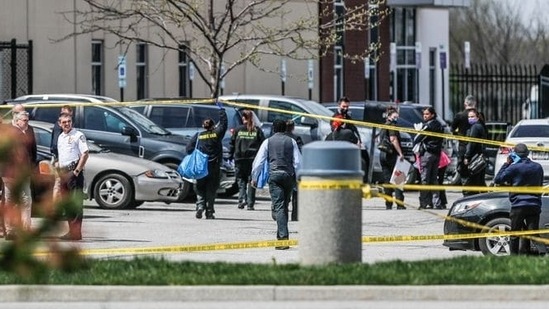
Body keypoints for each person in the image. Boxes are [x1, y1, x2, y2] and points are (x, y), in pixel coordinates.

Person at [251, 119, 301, 250]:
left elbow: (259, 161)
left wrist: (254, 177)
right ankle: (281, 234)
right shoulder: (292, 141)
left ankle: (283, 239)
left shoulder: (267, 142)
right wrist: (299, 178)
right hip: (289, 176)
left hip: (275, 175)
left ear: (273, 129)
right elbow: (298, 163)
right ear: (285, 129)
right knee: (284, 205)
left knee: (279, 207)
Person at [493, 143, 544, 255]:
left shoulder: (513, 168)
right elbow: (540, 185)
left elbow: (498, 179)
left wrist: (507, 163)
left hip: (518, 205)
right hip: (534, 205)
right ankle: (542, 253)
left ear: (514, 155)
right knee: (533, 233)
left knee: (515, 234)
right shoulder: (538, 167)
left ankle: (514, 258)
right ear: (528, 154)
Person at [187, 102, 228, 220]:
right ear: (213, 126)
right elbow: (224, 124)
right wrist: (222, 111)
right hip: (214, 166)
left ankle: (200, 206)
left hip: (201, 166)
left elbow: (189, 148)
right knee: (211, 189)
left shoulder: (198, 135)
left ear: (203, 126)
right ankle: (209, 212)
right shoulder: (216, 134)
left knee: (199, 187)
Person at [2, 111, 37, 240]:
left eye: (27, 120)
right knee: (26, 201)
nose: (27, 123)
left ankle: (11, 230)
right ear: (17, 121)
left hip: (8, 174)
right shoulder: (18, 134)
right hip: (17, 174)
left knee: (10, 201)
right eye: (24, 121)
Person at [56, 112, 89, 240]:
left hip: (73, 172)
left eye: (69, 121)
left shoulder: (78, 135)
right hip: (63, 173)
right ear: (59, 124)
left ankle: (76, 233)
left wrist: (76, 171)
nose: (67, 124)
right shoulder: (60, 137)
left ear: (72, 122)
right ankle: (71, 231)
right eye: (64, 122)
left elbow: (85, 154)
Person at [229, 109, 265, 211]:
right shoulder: (257, 130)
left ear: (243, 118)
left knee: (241, 180)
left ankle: (241, 200)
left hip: (239, 158)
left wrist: (230, 156)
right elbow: (263, 144)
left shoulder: (237, 130)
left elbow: (232, 144)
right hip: (253, 159)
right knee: (251, 181)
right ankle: (250, 204)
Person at [414, 107, 444, 209]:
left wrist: (418, 132)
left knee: (424, 179)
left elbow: (418, 138)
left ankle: (423, 203)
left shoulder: (428, 125)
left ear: (432, 114)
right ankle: (436, 203)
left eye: (427, 114)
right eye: (424, 114)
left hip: (427, 154)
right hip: (437, 154)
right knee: (434, 179)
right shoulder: (440, 125)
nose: (425, 116)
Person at [379, 107, 405, 210]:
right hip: (392, 155)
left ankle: (388, 204)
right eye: (395, 117)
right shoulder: (392, 126)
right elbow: (393, 139)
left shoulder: (383, 126)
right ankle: (399, 203)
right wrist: (400, 153)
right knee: (399, 179)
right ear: (390, 116)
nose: (396, 119)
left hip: (383, 155)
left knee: (387, 180)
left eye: (397, 117)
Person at [451, 95, 477, 183]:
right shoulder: (478, 115)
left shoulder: (460, 115)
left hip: (463, 145)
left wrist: (458, 136)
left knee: (463, 167)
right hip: (475, 146)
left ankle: (465, 185)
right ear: (475, 103)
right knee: (476, 167)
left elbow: (452, 129)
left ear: (465, 104)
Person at [462, 108, 487, 196]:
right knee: (480, 181)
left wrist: (467, 156)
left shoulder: (475, 127)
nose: (470, 118)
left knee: (473, 180)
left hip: (475, 157)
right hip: (480, 156)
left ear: (477, 117)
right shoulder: (481, 125)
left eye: (472, 116)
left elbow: (472, 143)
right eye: (469, 117)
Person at [285, 120, 303, 221]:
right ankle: (295, 215)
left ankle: (284, 213)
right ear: (293, 127)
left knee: (285, 193)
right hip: (294, 169)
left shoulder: (281, 138)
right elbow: (300, 153)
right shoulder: (296, 138)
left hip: (284, 167)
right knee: (296, 193)